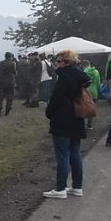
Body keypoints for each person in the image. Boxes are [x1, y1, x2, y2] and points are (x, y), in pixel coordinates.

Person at [43, 50, 92, 199]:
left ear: (65, 62)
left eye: (58, 61)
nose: (56, 63)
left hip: (63, 119)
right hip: (76, 118)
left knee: (62, 154)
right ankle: (77, 186)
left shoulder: (64, 77)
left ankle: (60, 188)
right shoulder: (79, 75)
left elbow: (57, 98)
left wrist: (49, 112)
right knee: (75, 153)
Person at [81, 60, 101, 130]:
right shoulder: (96, 72)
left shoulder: (83, 72)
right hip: (94, 92)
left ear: (83, 65)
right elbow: (98, 83)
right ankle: (90, 124)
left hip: (85, 92)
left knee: (83, 108)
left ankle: (82, 124)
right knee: (91, 109)